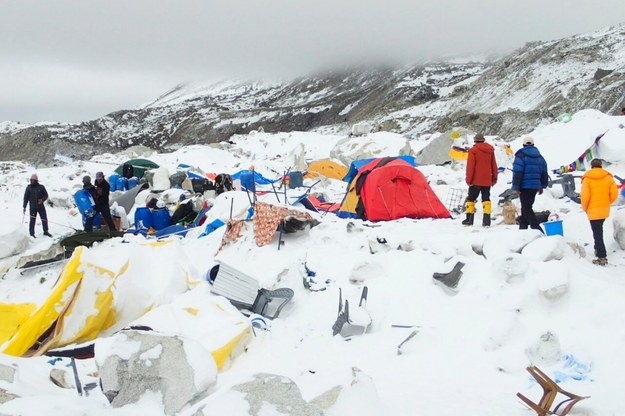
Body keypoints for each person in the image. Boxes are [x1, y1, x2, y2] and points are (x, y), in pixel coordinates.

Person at [581, 159, 618, 266]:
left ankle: (602, 256)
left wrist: (585, 208)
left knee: (597, 233)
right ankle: (597, 248)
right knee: (598, 230)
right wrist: (607, 202)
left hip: (592, 210)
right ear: (601, 166)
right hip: (604, 209)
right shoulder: (608, 177)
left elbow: (585, 196)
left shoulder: (587, 179)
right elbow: (614, 193)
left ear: (591, 166)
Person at [511, 137, 549, 232]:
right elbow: (544, 172)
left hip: (524, 186)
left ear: (523, 145)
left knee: (527, 207)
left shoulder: (521, 156)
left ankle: (537, 228)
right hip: (535, 186)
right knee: (526, 206)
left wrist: (516, 187)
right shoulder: (540, 157)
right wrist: (542, 186)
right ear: (533, 144)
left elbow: (517, 172)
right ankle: (523, 228)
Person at [462, 133, 498, 226]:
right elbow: (493, 165)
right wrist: (494, 178)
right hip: (487, 180)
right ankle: (486, 221)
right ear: (483, 140)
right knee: (486, 199)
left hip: (475, 180)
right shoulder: (490, 150)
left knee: (471, 199)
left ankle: (469, 220)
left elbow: (470, 167)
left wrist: (468, 180)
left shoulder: (473, 150)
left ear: (475, 141)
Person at [22, 173, 51, 238]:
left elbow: (46, 195)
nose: (32, 181)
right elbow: (26, 197)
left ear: (36, 180)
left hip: (41, 206)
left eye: (33, 180)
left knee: (44, 219)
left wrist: (42, 200)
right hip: (32, 207)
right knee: (32, 220)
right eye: (31, 180)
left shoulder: (41, 187)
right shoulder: (28, 187)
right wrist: (24, 206)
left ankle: (45, 231)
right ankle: (32, 233)